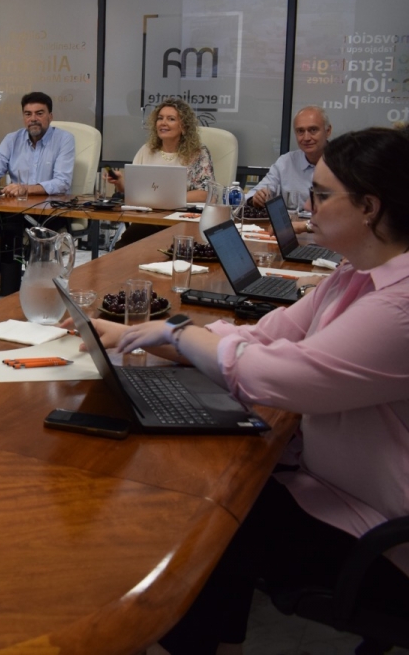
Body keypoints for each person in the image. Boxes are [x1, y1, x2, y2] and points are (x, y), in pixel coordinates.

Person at [82, 126, 409, 655]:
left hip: (379, 538)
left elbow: (280, 377)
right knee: (211, 497)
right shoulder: (353, 276)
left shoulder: (399, 306)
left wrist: (178, 334)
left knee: (193, 518)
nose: (308, 204)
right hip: (338, 490)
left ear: (369, 207)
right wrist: (140, 335)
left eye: (322, 194)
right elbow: (266, 337)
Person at [0, 91, 76, 295]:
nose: (33, 118)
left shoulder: (64, 140)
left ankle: (24, 292)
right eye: (28, 114)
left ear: (50, 116)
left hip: (49, 212)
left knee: (14, 232)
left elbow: (62, 183)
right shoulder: (12, 139)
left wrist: (26, 188)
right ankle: (1, 278)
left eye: (39, 113)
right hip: (14, 210)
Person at [107, 98, 214, 203]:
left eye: (171, 119)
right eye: (160, 118)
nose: (163, 123)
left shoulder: (197, 152)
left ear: (184, 126)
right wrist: (119, 182)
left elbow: (206, 193)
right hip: (147, 211)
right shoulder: (147, 150)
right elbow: (134, 191)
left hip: (181, 212)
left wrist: (166, 199)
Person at [248, 106, 331, 234]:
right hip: (292, 234)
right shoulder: (286, 162)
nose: (306, 137)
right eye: (300, 131)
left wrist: (304, 226)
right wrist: (256, 198)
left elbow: (350, 216)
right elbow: (252, 195)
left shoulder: (345, 163)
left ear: (328, 131)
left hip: (332, 236)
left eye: (313, 130)